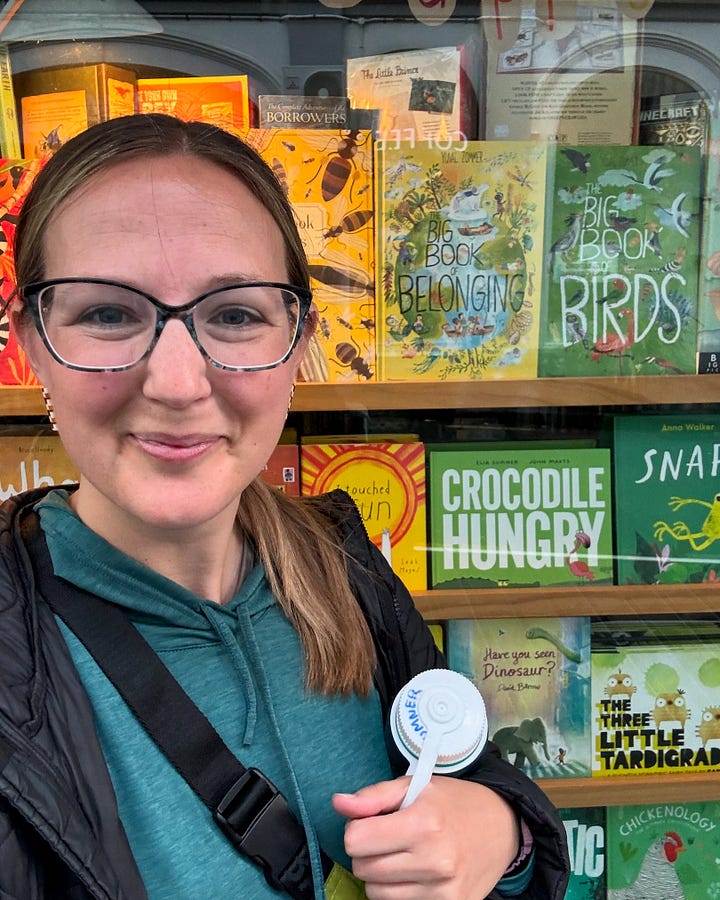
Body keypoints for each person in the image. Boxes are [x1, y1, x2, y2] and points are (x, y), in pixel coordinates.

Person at [0, 113, 569, 900]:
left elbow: (472, 788)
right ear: (32, 343)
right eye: (107, 313)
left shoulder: (342, 561)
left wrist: (499, 836)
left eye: (233, 314)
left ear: (298, 342)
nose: (176, 382)